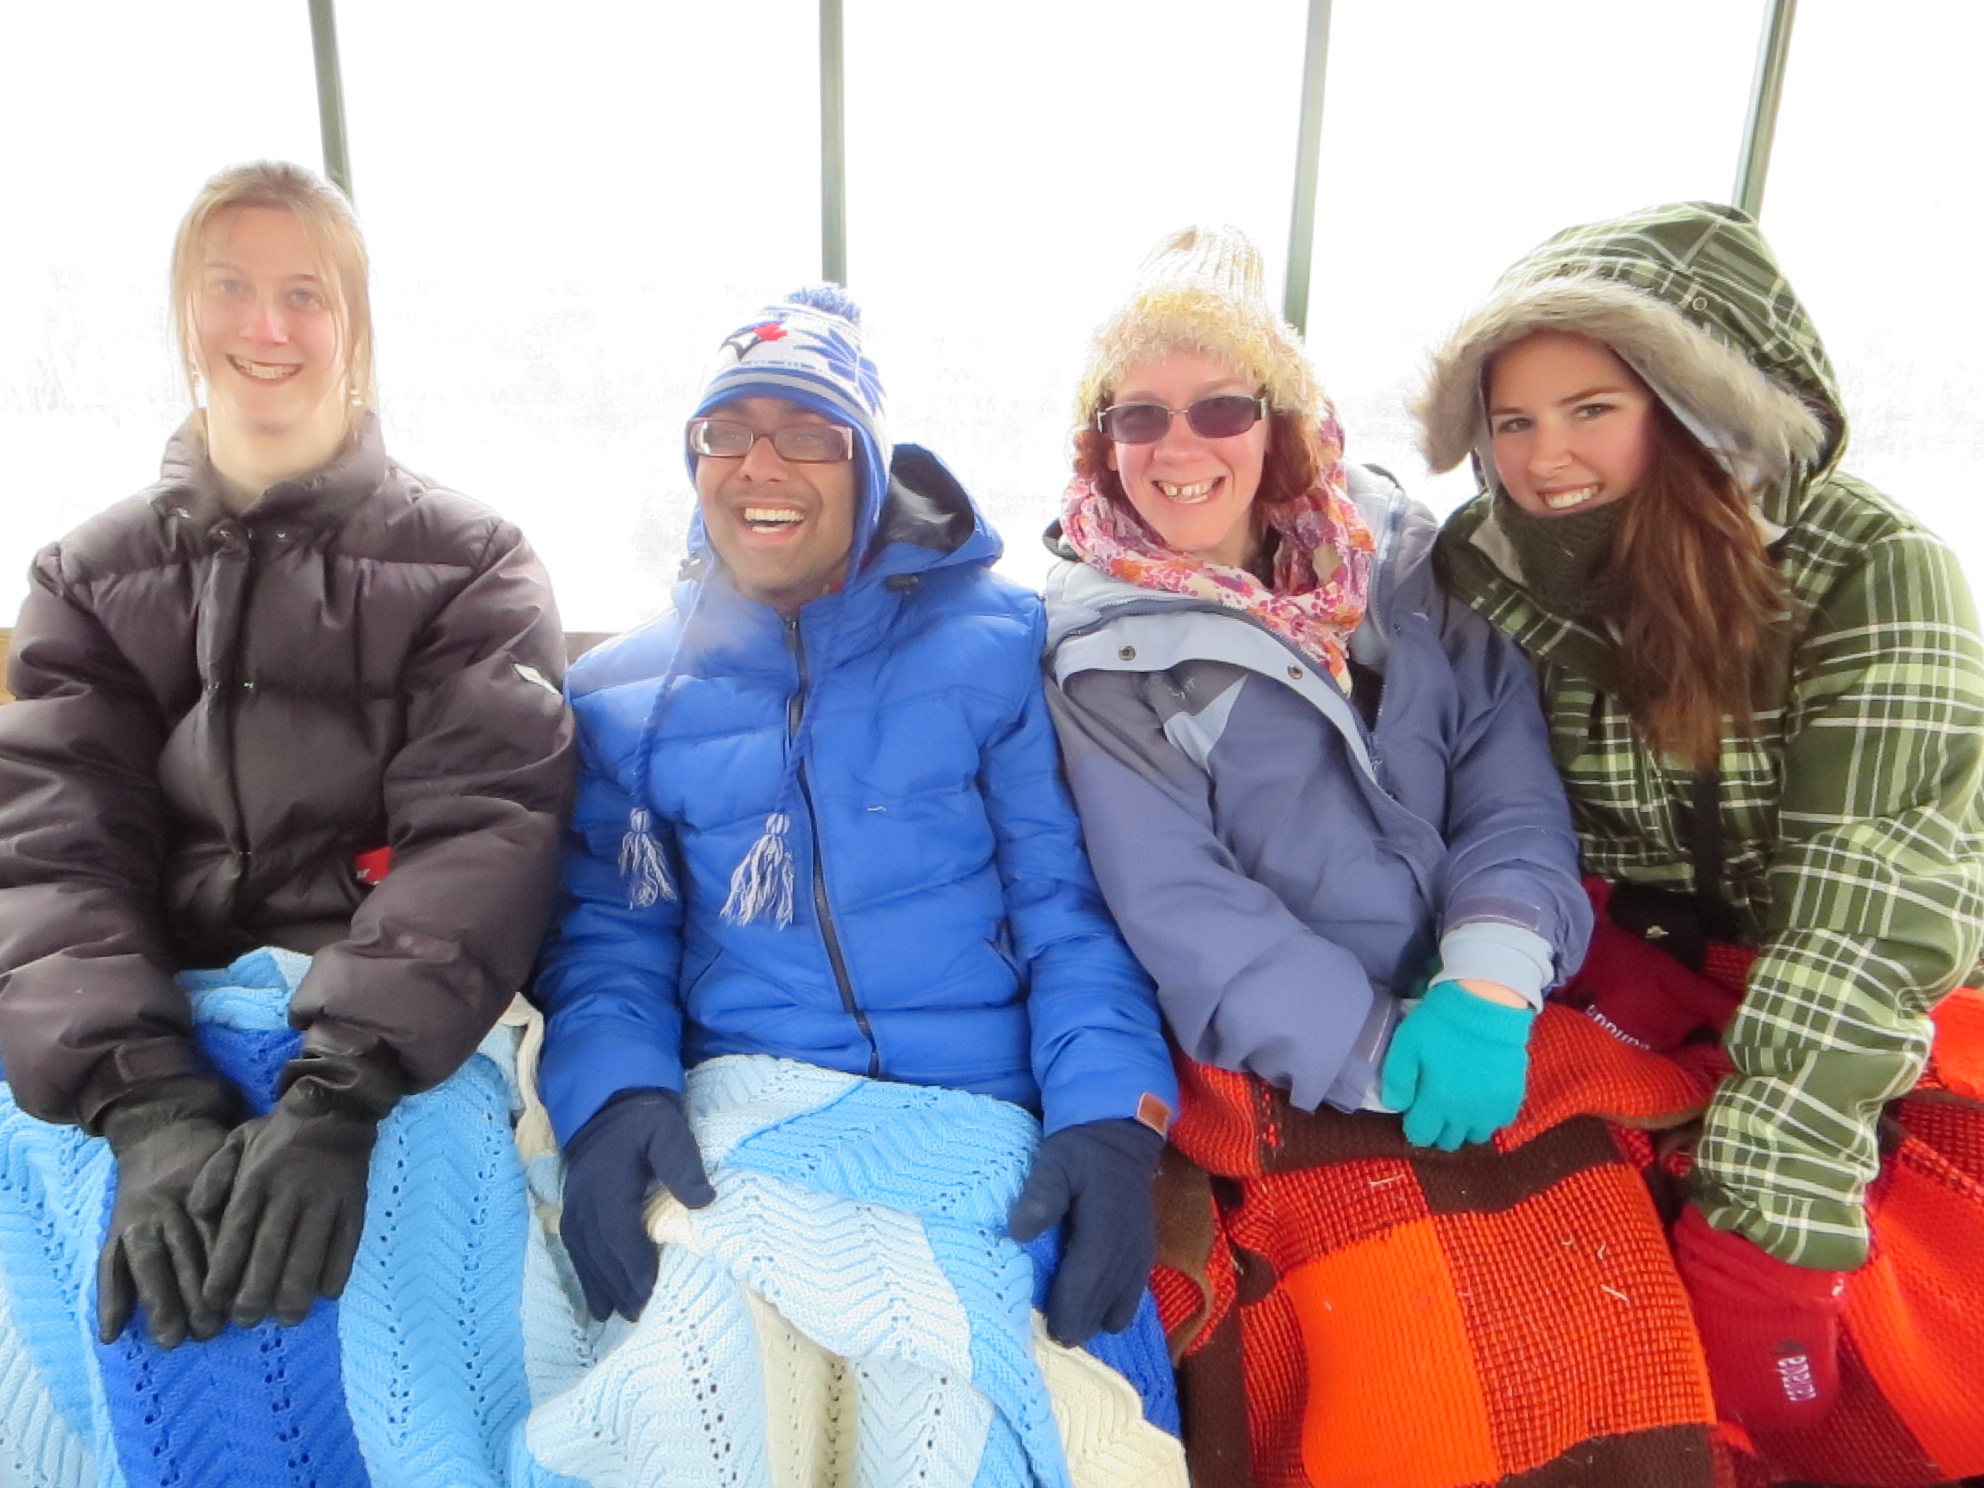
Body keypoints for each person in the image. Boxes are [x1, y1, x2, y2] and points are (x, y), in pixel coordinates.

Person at [1039, 228, 1715, 1488]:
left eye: (1220, 407)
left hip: (1489, 1000)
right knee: (1401, 1353)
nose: (1178, 448)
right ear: (1100, 442)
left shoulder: (1410, 573)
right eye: (1138, 417)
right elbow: (1180, 903)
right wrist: (1371, 1049)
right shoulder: (1103, 656)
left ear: (1281, 423)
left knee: (1610, 1289)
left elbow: (1509, 789)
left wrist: (1491, 978)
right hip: (1293, 1052)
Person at [530, 284, 1178, 1373]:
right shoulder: (627, 698)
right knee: (693, 1386)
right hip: (750, 1110)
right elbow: (612, 940)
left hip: (980, 1107)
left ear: (868, 469)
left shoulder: (996, 643)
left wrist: (1111, 1119)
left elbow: (1066, 911)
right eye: (724, 432)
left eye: (808, 435)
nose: (759, 464)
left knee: (983, 1390)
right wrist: (615, 1097)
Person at [1421, 202, 1984, 1453]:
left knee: (1910, 1360)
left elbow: (1868, 904)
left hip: (1867, 988)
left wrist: (1763, 1229)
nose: (1544, 458)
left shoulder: (1871, 568)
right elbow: (1461, 794)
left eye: (1590, 409)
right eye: (1511, 421)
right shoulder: (1485, 571)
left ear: (1689, 404)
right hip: (1630, 971)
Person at [0, 160, 575, 1352]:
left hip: (384, 1035)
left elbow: (482, 829)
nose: (265, 326)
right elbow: (55, 851)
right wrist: (144, 1104)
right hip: (141, 1027)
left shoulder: (472, 564)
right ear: (184, 313)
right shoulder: (86, 579)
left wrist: (341, 1092)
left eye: (304, 294)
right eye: (229, 286)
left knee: (388, 1299)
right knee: (95, 1306)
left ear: (354, 329)